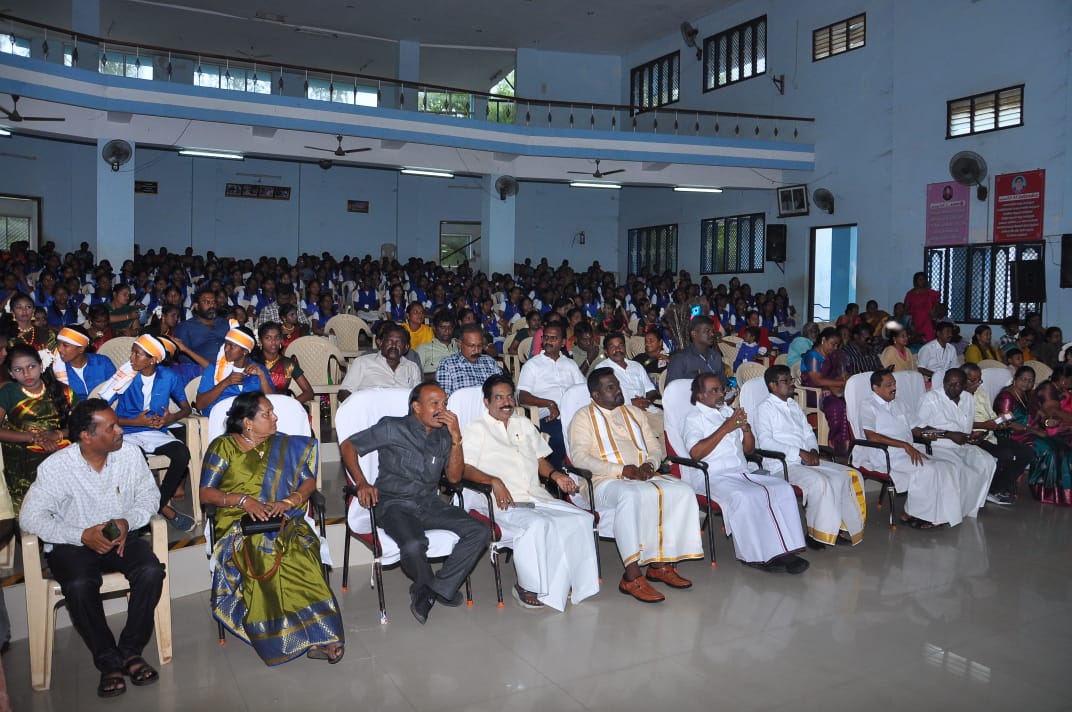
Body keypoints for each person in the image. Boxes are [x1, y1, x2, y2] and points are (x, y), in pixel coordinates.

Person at [19, 400, 165, 698]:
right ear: (87, 436)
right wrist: (81, 535)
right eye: (111, 427)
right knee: (79, 583)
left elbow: (149, 496)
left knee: (151, 570)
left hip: (119, 537)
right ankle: (108, 660)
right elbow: (30, 517)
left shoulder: (130, 455)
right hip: (72, 544)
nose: (120, 430)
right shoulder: (57, 467)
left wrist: (128, 521)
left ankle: (129, 651)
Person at [199, 392, 344, 663]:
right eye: (267, 414)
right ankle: (283, 637)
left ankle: (321, 633)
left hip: (283, 518)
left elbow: (308, 482)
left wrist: (289, 501)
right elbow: (206, 493)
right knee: (265, 553)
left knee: (301, 549)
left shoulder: (286, 446)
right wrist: (244, 501)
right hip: (238, 525)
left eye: (273, 412)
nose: (275, 417)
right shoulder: (224, 447)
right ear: (247, 423)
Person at [340, 383, 490, 624]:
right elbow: (348, 446)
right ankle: (428, 587)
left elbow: (453, 478)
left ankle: (437, 587)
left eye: (445, 404)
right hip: (393, 503)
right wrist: (361, 483)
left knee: (480, 530)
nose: (443, 410)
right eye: (435, 404)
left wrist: (456, 439)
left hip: (429, 502)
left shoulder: (443, 436)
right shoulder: (392, 427)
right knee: (413, 543)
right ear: (416, 407)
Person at [461, 374, 599, 610]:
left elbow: (539, 459)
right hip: (499, 499)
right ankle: (527, 586)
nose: (506, 402)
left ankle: (567, 581)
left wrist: (556, 475)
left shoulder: (523, 424)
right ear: (486, 402)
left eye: (509, 396)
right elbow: (465, 468)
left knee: (580, 518)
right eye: (499, 397)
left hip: (534, 494)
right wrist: (494, 481)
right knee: (537, 525)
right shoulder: (476, 429)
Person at [568, 368, 704, 603]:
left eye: (617, 385)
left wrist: (650, 465)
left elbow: (655, 448)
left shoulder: (634, 413)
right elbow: (579, 458)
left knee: (682, 491)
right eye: (611, 387)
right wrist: (620, 470)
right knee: (630, 496)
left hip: (643, 476)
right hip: (603, 483)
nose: (618, 390)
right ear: (596, 395)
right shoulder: (582, 417)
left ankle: (660, 564)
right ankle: (632, 576)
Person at [683, 373, 809, 573]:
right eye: (714, 390)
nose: (720, 394)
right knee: (747, 496)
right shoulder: (693, 418)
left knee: (782, 488)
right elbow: (696, 453)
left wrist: (747, 430)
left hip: (740, 472)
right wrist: (727, 428)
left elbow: (749, 450)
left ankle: (786, 549)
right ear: (700, 395)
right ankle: (756, 556)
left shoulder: (727, 412)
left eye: (721, 389)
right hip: (713, 477)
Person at [753, 365, 866, 547]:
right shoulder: (764, 409)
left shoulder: (793, 405)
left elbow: (808, 433)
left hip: (805, 459)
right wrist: (799, 452)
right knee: (819, 482)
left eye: (791, 379)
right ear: (773, 386)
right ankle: (817, 534)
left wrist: (813, 450)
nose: (792, 384)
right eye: (786, 381)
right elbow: (766, 443)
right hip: (782, 464)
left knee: (849, 475)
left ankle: (840, 527)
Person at [859, 370, 976, 528]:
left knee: (947, 466)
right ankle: (911, 514)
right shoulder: (868, 405)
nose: (894, 387)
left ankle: (940, 515)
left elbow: (918, 429)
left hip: (908, 450)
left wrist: (946, 434)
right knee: (928, 469)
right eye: (888, 385)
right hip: (885, 454)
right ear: (875, 388)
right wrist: (904, 445)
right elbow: (871, 436)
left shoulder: (899, 403)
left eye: (894, 383)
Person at [104, 335, 196, 531]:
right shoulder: (126, 374)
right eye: (132, 351)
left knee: (182, 453)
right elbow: (101, 412)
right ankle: (164, 510)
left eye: (138, 354)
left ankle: (155, 507)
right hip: (126, 430)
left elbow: (186, 409)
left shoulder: (168, 376)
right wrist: (134, 421)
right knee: (135, 457)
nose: (131, 357)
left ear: (153, 359)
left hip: (154, 430)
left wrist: (171, 418)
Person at [0, 344, 76, 514]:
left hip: (59, 446)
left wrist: (56, 435)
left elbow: (83, 424)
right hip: (20, 450)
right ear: (11, 373)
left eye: (31, 367)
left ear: (41, 366)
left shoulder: (62, 390)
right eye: (18, 370)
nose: (26, 374)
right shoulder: (9, 392)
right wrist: (31, 438)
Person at [915, 368, 997, 514]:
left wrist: (973, 436)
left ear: (964, 385)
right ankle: (950, 511)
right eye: (948, 383)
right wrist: (949, 434)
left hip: (963, 444)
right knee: (960, 469)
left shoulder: (968, 398)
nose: (952, 388)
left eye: (957, 384)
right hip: (939, 445)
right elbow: (918, 429)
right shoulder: (931, 398)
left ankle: (970, 507)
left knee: (987, 462)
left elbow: (966, 425)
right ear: (944, 382)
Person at [994, 366, 1070, 505]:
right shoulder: (1006, 397)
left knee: (1059, 446)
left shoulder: (1027, 395)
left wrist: (1047, 422)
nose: (1026, 383)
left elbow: (1039, 416)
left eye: (1030, 381)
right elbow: (1007, 424)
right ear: (1015, 379)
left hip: (1027, 432)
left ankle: (1058, 493)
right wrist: (1033, 431)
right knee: (1048, 451)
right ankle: (1043, 492)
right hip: (1011, 435)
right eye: (1023, 379)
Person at [961, 363, 1035, 505]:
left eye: (979, 380)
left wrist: (1001, 420)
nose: (977, 383)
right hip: (971, 437)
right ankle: (993, 489)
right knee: (1005, 454)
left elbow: (991, 415)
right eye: (973, 380)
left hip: (989, 434)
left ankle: (999, 486)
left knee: (1027, 452)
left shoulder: (980, 392)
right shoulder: (958, 396)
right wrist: (986, 425)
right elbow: (962, 422)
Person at [517, 323, 586, 469]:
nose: (548, 341)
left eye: (553, 338)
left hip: (573, 415)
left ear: (562, 343)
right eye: (546, 337)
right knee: (560, 437)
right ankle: (556, 479)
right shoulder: (533, 365)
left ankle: (581, 476)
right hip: (547, 416)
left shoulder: (570, 364)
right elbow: (522, 396)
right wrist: (549, 403)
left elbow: (583, 390)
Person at [195, 326, 274, 416]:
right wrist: (225, 383)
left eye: (231, 346)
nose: (226, 349)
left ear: (245, 351)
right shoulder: (214, 368)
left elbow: (272, 402)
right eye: (226, 344)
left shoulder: (259, 369)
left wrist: (262, 377)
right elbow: (199, 404)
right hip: (220, 419)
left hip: (251, 421)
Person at [337, 323, 422, 402]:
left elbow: (418, 398)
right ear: (380, 343)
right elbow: (343, 393)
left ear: (406, 347)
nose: (393, 346)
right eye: (389, 341)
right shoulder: (362, 362)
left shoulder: (412, 367)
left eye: (398, 342)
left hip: (402, 415)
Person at [800, 327, 851, 457]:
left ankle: (847, 446)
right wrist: (841, 383)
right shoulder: (813, 356)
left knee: (850, 404)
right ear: (823, 340)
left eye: (837, 345)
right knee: (837, 406)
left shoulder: (832, 356)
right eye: (832, 344)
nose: (834, 348)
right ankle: (835, 445)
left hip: (830, 389)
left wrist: (844, 378)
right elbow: (817, 380)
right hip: (813, 392)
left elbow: (840, 373)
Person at [251, 322, 314, 403]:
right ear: (260, 341)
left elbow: (309, 392)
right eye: (268, 338)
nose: (273, 341)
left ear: (281, 340)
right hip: (255, 408)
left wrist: (290, 405)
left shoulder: (288, 364)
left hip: (281, 407)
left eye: (277, 337)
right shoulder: (252, 362)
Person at [50, 325, 117, 400]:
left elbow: (114, 390)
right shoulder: (59, 370)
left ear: (81, 348)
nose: (59, 349)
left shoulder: (103, 363)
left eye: (65, 345)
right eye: (58, 344)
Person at [435, 324, 502, 396]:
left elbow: (502, 390)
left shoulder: (490, 362)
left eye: (479, 346)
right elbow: (444, 399)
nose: (476, 350)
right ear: (459, 344)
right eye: (472, 346)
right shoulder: (446, 365)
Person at [173, 288, 231, 366]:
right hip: (200, 372)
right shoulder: (185, 327)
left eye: (214, 302)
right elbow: (183, 357)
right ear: (196, 306)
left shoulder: (226, 323)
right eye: (207, 302)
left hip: (228, 368)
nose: (212, 305)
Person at [665, 316, 724, 385]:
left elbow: (723, 382)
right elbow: (670, 389)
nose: (712, 334)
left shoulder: (715, 356)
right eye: (707, 331)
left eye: (712, 331)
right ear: (694, 334)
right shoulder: (680, 359)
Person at [416, 309, 458, 378]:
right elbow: (414, 375)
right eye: (442, 327)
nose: (447, 331)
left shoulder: (460, 345)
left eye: (450, 327)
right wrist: (442, 374)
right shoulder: (423, 348)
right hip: (433, 386)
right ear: (434, 328)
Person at [904, 272, 941, 343]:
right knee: (914, 341)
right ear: (915, 281)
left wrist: (934, 312)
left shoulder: (931, 293)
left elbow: (936, 306)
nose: (922, 282)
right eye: (920, 280)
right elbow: (906, 309)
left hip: (928, 321)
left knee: (929, 342)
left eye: (924, 279)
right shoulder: (910, 294)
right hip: (914, 322)